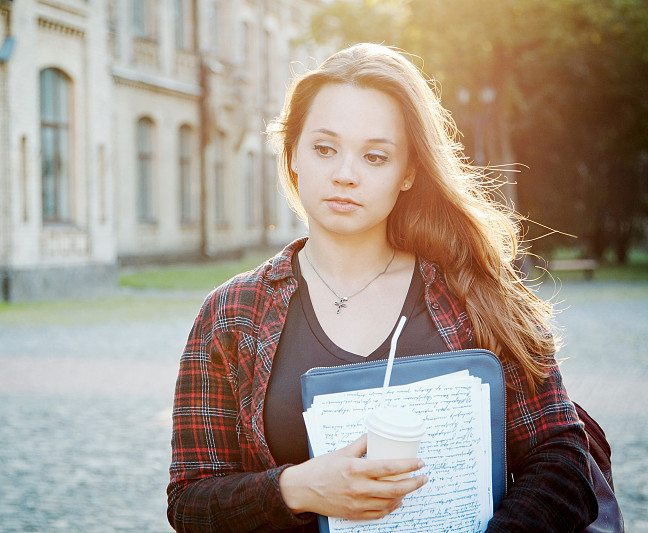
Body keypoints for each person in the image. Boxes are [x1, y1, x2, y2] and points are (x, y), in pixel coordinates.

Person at [167, 43, 597, 532]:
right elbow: (190, 502)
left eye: (375, 156)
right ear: (292, 155)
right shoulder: (230, 314)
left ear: (408, 172)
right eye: (325, 149)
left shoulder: (475, 293)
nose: (345, 175)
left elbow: (563, 458)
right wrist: (301, 488)